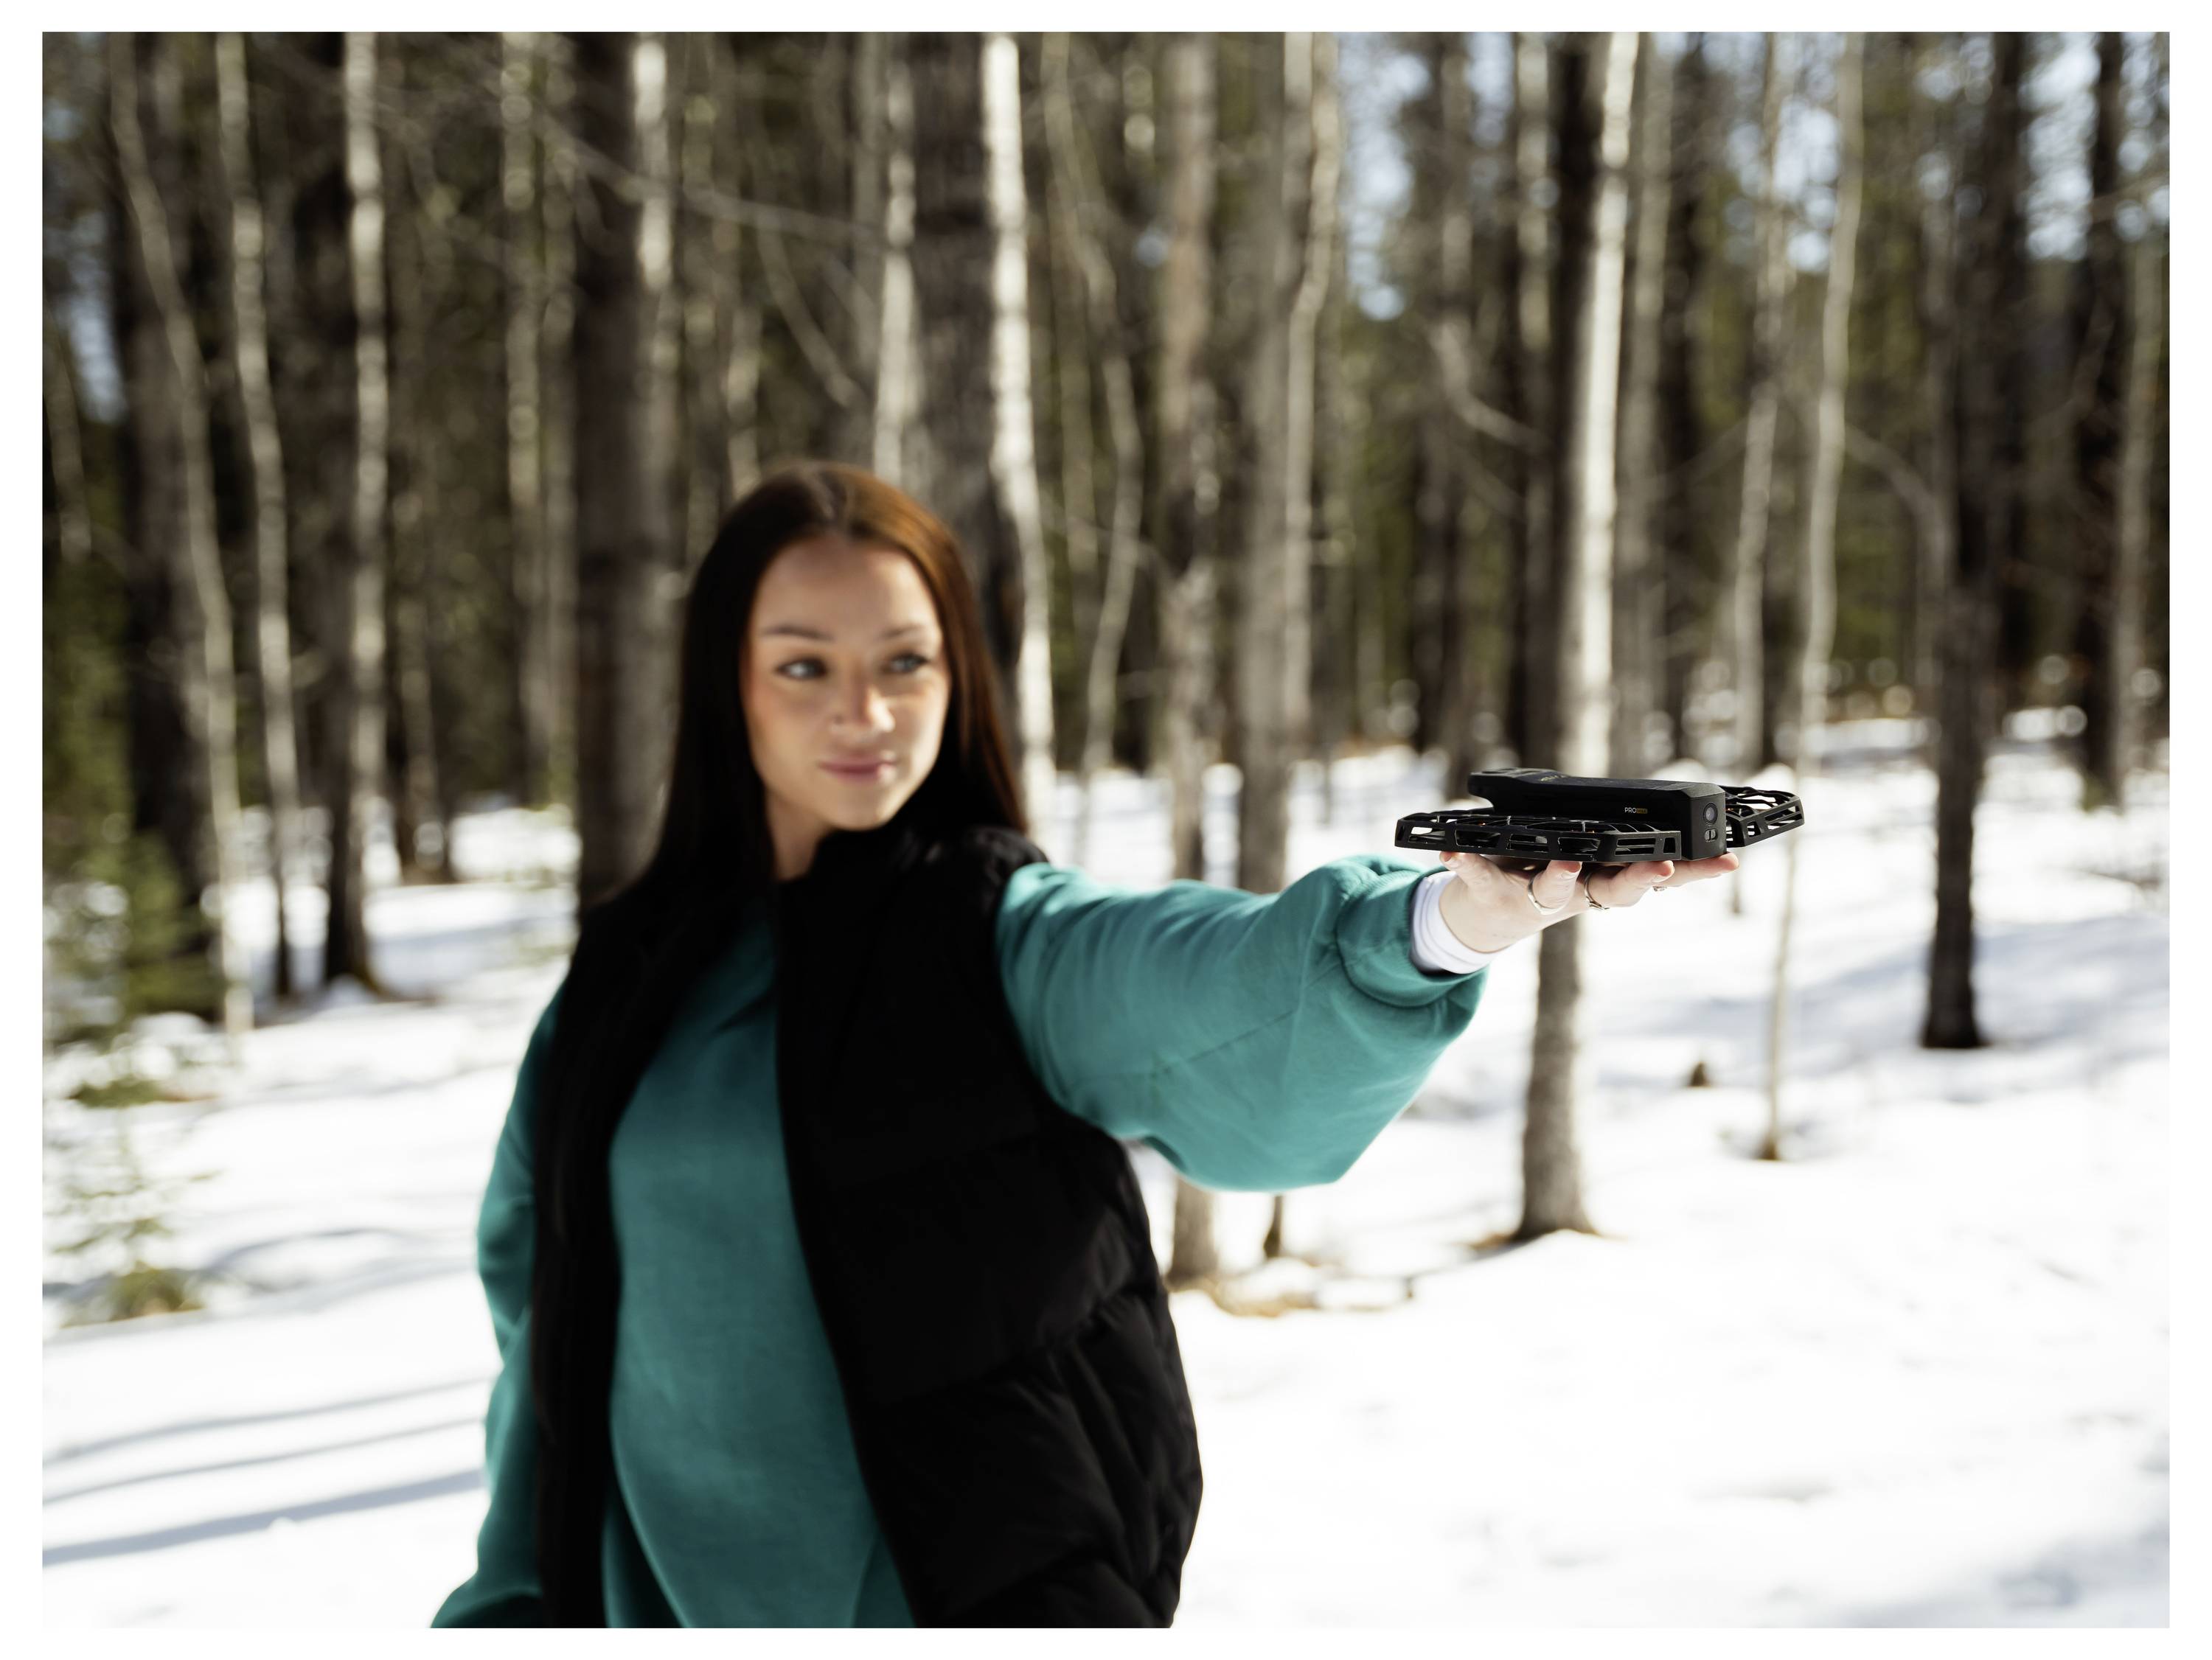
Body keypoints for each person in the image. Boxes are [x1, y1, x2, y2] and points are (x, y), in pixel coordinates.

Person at [429, 461, 1741, 1630]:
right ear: (728, 683)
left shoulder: (995, 936)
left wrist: (1442, 922)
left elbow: (1195, 980)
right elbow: (543, 1334)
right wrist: (511, 1601)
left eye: (905, 662)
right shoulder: (626, 980)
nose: (865, 712)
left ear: (957, 674)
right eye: (804, 665)